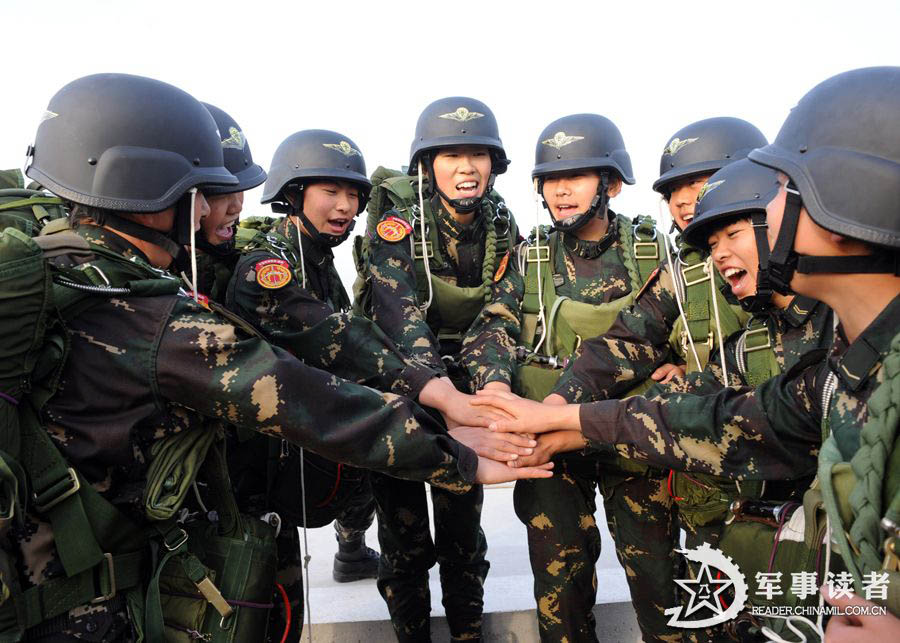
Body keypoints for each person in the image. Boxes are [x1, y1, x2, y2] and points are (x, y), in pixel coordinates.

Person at [7, 73, 551, 642]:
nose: (212, 214)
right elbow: (294, 392)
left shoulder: (69, 273)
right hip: (84, 596)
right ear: (149, 194)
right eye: (200, 196)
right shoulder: (145, 312)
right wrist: (454, 451)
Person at [475, 65, 900, 634]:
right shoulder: (709, 287)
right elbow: (716, 401)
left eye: (747, 209)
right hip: (737, 505)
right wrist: (562, 413)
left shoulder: (839, 325)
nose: (701, 220)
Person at [354, 96, 523, 642]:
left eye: (478, 155)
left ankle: (467, 634)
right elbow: (397, 311)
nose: (466, 168)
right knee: (404, 539)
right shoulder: (398, 223)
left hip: (469, 387)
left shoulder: (501, 223)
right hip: (403, 386)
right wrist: (441, 393)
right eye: (451, 155)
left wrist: (490, 386)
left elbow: (500, 312)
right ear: (428, 165)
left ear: (495, 164)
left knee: (462, 530)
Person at [510, 113, 679, 643]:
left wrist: (681, 364)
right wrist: (494, 385)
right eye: (551, 179)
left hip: (634, 439)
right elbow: (489, 330)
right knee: (560, 590)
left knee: (661, 585)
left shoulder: (654, 251)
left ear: (611, 183)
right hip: (552, 451)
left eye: (577, 176)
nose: (561, 189)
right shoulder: (530, 257)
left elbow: (690, 328)